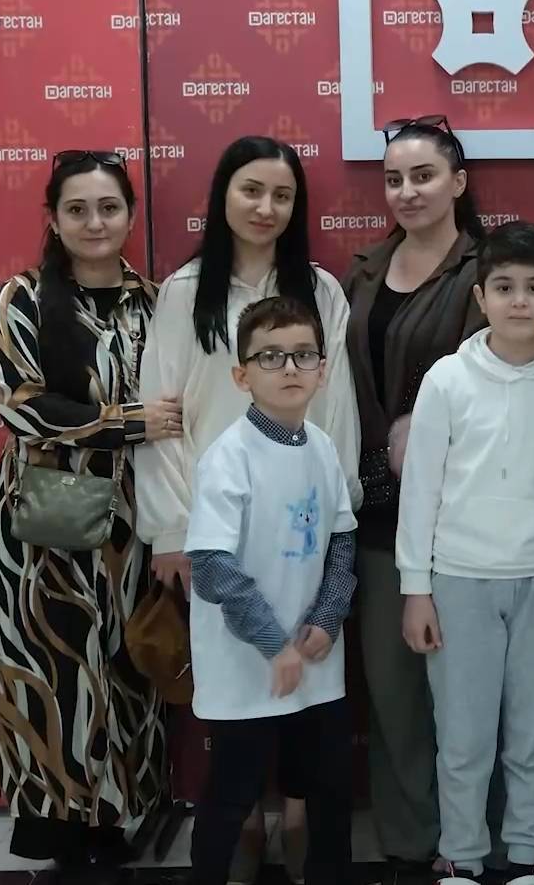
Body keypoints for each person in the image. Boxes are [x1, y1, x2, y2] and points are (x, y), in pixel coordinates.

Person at [137, 135, 360, 881]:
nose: (265, 207)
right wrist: (171, 527)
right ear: (222, 196)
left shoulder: (321, 292)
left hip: (303, 524)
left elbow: (337, 413)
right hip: (218, 526)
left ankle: (297, 820)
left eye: (282, 195)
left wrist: (339, 508)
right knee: (240, 703)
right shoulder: (184, 292)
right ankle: (245, 829)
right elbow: (163, 415)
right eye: (250, 190)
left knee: (310, 694)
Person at [0, 149, 178, 874]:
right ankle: (56, 832)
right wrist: (127, 422)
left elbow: (178, 406)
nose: (94, 222)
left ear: (129, 214)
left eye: (108, 207)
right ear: (54, 218)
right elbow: (21, 405)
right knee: (49, 666)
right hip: (45, 525)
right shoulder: (23, 299)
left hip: (133, 521)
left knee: (127, 665)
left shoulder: (154, 302)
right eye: (77, 209)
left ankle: (119, 819)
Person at [397, 222, 534, 885]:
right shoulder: (448, 379)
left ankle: (526, 854)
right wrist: (416, 588)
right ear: (480, 296)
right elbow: (420, 489)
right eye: (503, 287)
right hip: (460, 581)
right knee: (463, 735)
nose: (519, 301)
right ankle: (462, 856)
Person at [343, 114, 489, 881]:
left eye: (423, 175)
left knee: (467, 698)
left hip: (465, 514)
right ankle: (409, 841)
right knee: (393, 694)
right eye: (394, 179)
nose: (407, 191)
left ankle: (474, 843)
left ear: (458, 182)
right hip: (376, 510)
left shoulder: (487, 271)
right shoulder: (364, 270)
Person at [185, 296, 358, 885]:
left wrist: (328, 617)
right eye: (271, 356)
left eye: (303, 355)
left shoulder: (323, 447)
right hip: (247, 665)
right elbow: (212, 566)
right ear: (242, 376)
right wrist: (272, 644)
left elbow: (340, 540)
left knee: (328, 785)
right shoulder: (228, 457)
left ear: (322, 369)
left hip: (314, 658)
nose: (289, 368)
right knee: (232, 794)